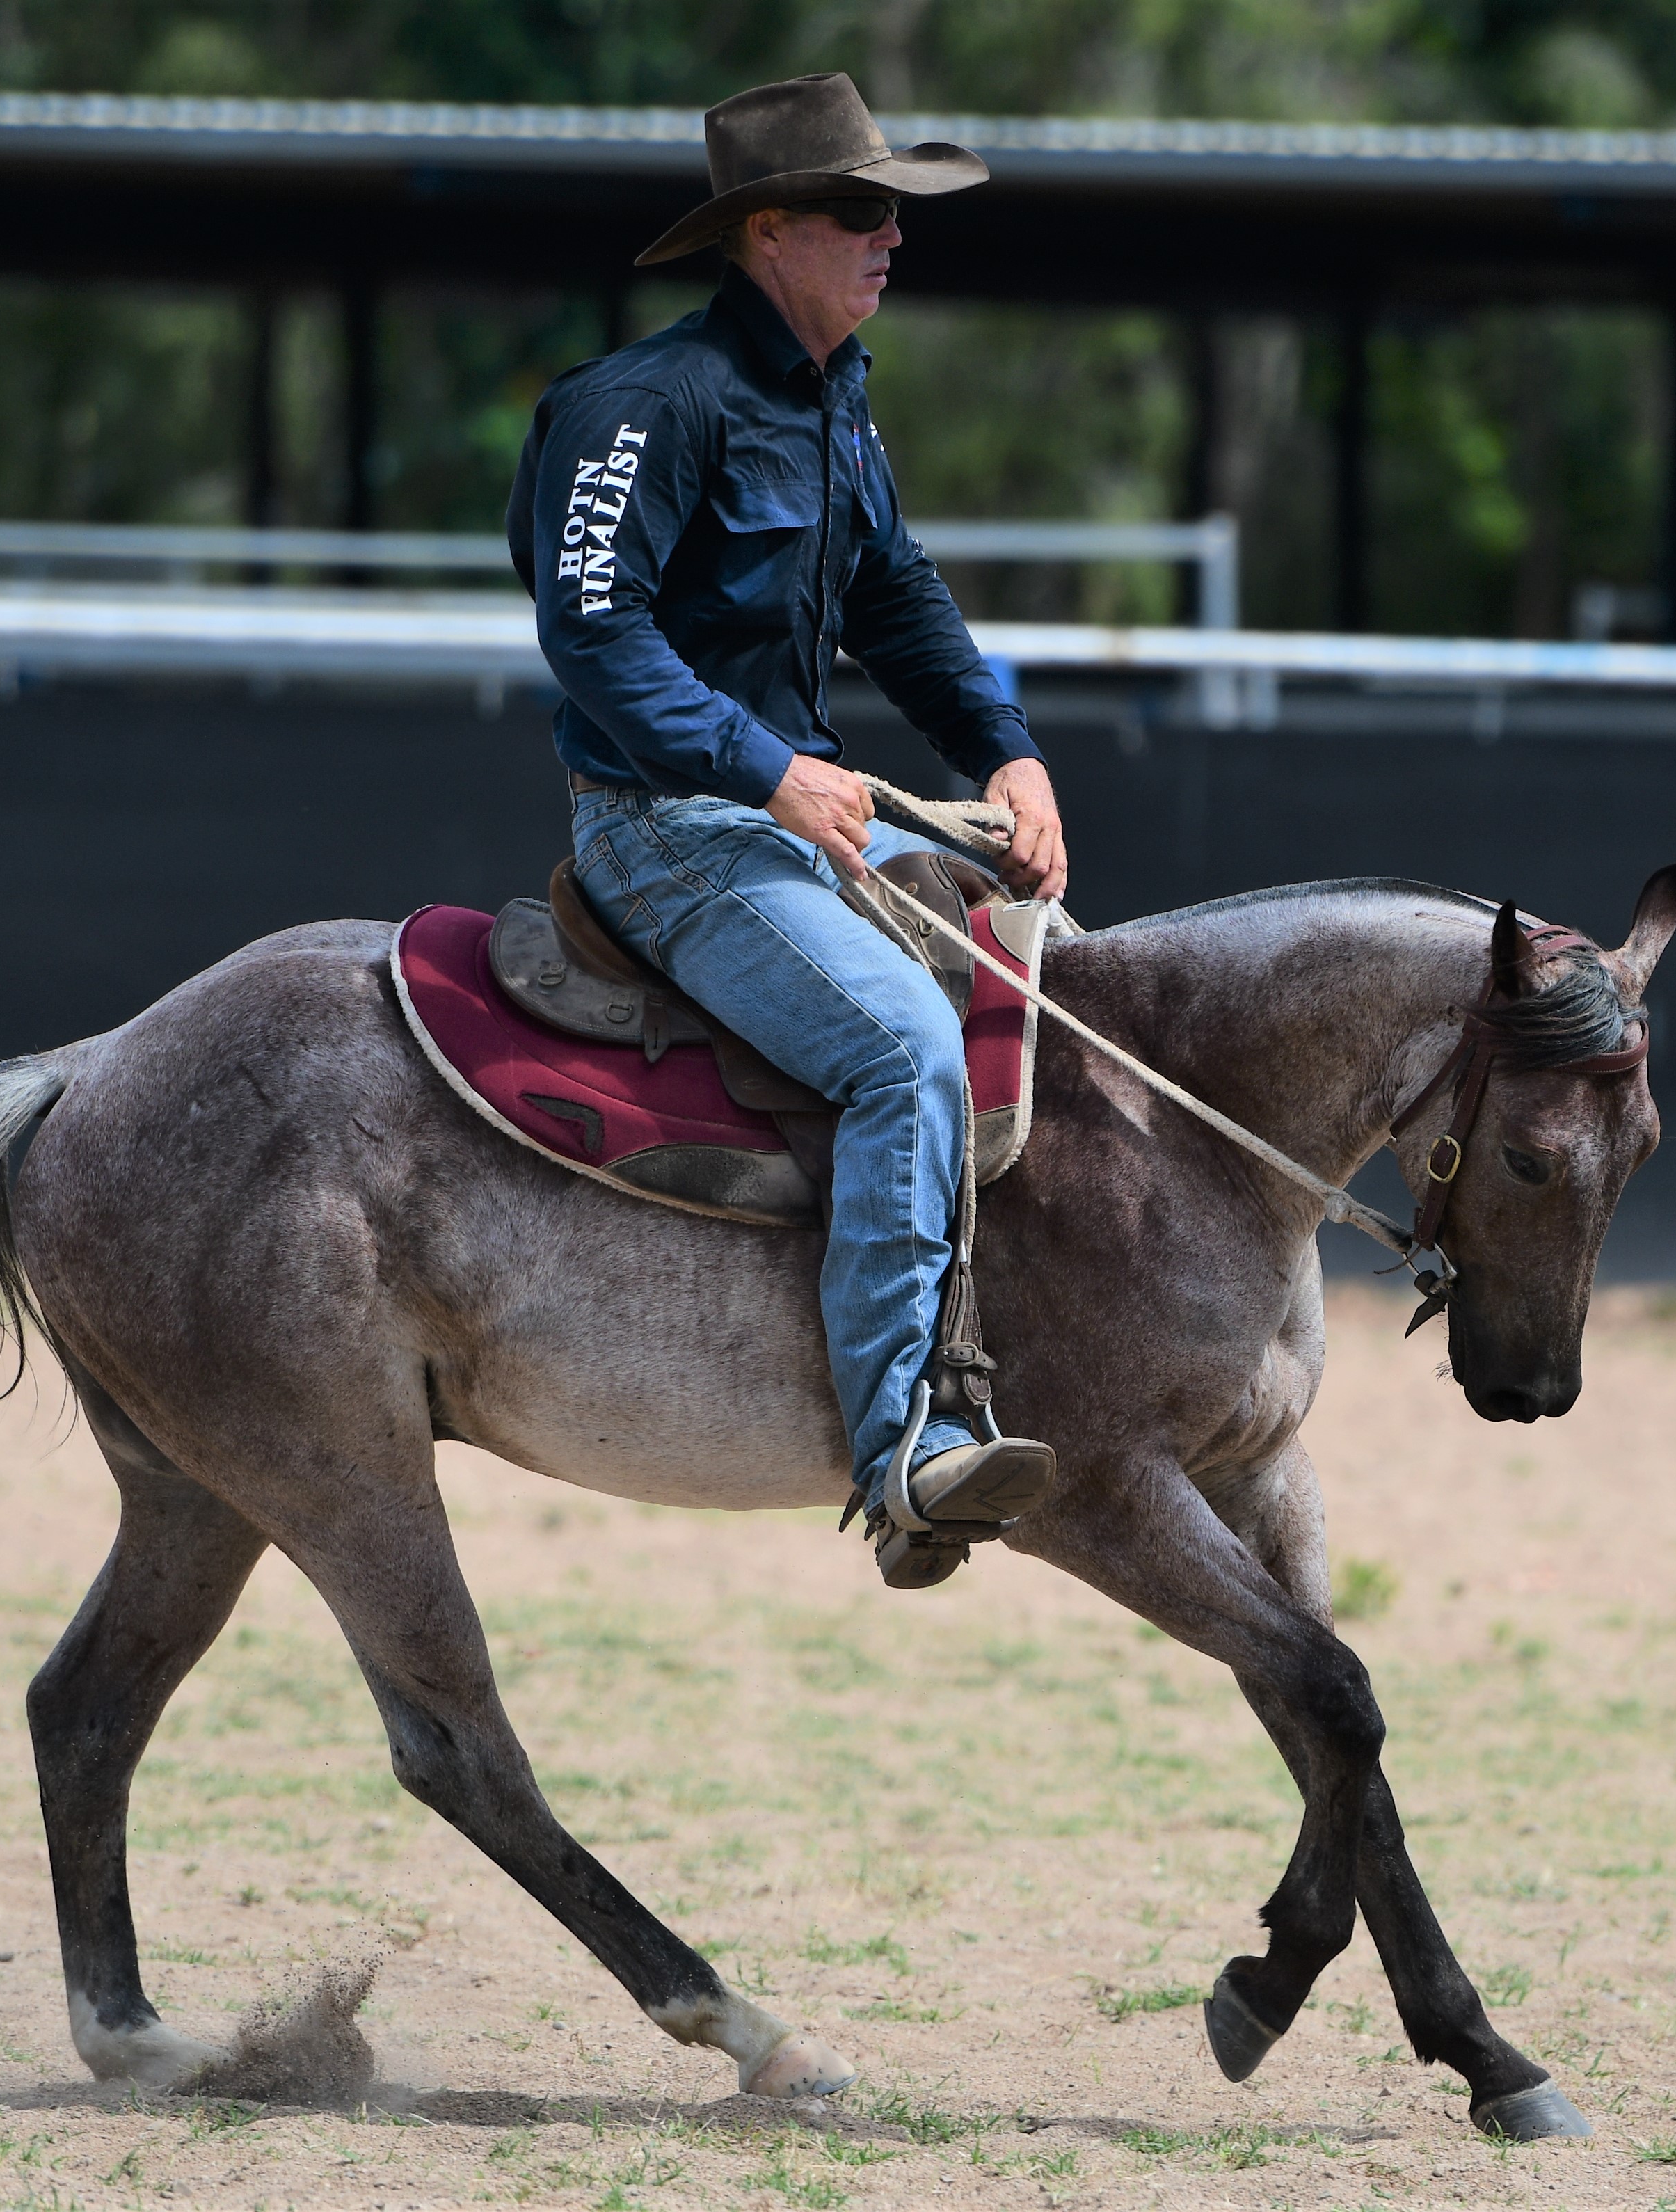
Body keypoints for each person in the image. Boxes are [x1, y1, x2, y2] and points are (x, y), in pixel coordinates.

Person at [506, 72, 1069, 1584]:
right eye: (860, 211)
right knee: (903, 1047)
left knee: (1062, 973)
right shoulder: (642, 404)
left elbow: (899, 600)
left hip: (797, 820)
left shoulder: (835, 399)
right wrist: (767, 773)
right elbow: (593, 636)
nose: (893, 236)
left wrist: (1008, 754)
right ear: (768, 233)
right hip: (668, 833)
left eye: (894, 212)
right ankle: (908, 1449)